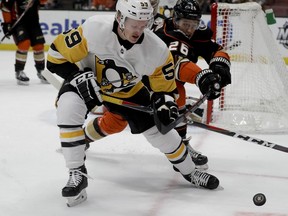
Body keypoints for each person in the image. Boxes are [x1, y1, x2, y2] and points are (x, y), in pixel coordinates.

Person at [47, 0, 223, 207]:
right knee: (68, 108)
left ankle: (190, 172)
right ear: (120, 18)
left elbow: (165, 89)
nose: (139, 30)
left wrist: (165, 105)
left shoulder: (156, 49)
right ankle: (77, 172)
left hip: (128, 91)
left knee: (162, 133)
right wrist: (77, 76)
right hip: (88, 83)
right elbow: (54, 57)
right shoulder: (94, 29)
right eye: (134, 24)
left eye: (144, 23)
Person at [153, 0, 231, 169]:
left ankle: (181, 146)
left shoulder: (196, 33)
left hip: (169, 82)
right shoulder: (163, 34)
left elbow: (216, 49)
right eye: (185, 24)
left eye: (193, 24)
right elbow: (174, 64)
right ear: (175, 19)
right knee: (175, 90)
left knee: (115, 123)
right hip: (146, 79)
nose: (189, 29)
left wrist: (220, 65)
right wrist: (202, 77)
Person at [0, 0, 48, 85]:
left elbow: (43, 1)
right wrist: (7, 23)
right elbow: (5, 7)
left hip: (34, 23)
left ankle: (41, 71)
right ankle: (19, 71)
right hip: (18, 22)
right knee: (24, 44)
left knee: (39, 46)